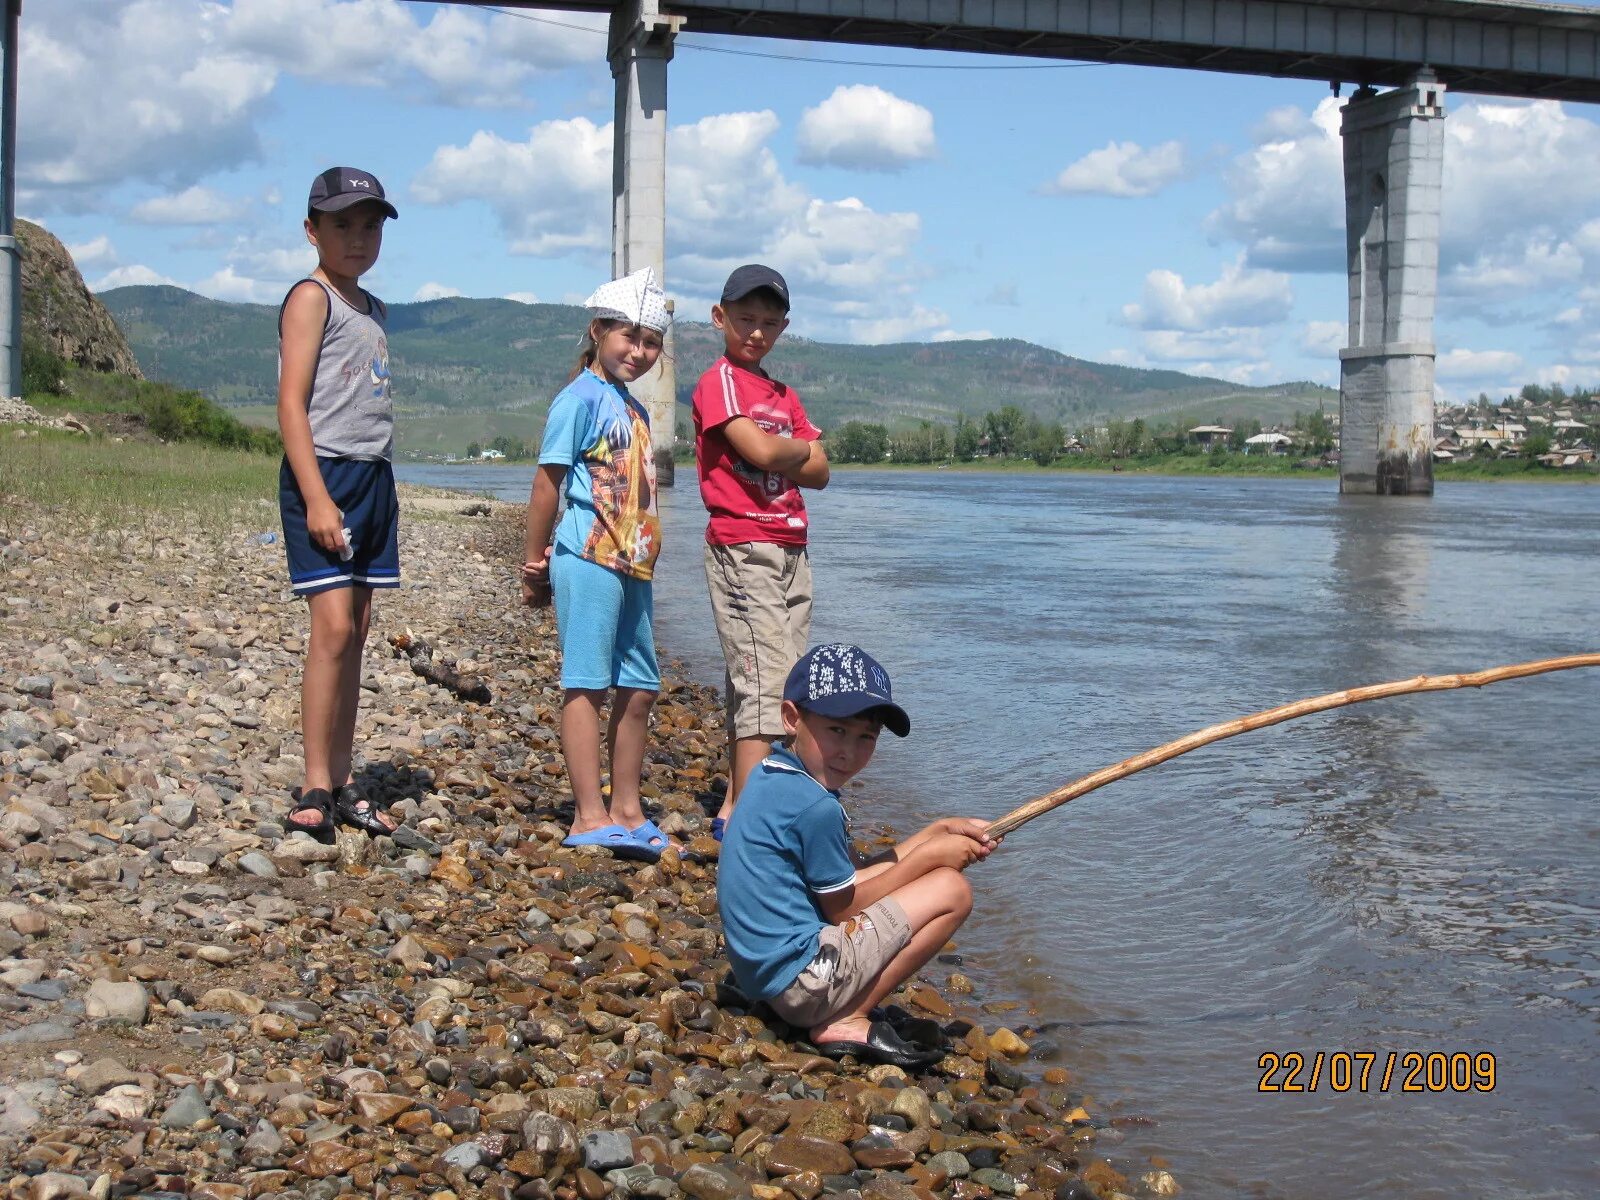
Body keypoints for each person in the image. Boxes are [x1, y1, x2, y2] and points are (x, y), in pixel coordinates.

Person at [716, 643, 999, 1068]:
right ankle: (847, 1016)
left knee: (929, 876)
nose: (850, 751)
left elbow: (852, 876)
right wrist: (931, 860)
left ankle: (837, 1005)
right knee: (951, 890)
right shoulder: (816, 807)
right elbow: (843, 909)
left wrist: (932, 834)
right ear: (792, 718)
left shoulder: (775, 776)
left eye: (866, 737)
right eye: (837, 731)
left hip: (765, 973)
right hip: (800, 986)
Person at [520, 268, 672, 862]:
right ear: (597, 331)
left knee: (640, 685)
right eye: (628, 336)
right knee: (586, 682)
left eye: (651, 341)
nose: (638, 351)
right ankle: (588, 814)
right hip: (587, 555)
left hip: (633, 563)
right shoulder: (578, 398)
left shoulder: (633, 407)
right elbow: (546, 485)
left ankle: (628, 808)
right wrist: (534, 564)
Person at [277, 166, 402, 843]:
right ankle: (316, 781)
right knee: (328, 629)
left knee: (355, 632)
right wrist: (318, 499)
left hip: (372, 479)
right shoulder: (311, 297)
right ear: (312, 230)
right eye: (343, 224)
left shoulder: (373, 309)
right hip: (323, 476)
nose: (358, 238)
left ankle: (346, 776)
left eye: (370, 225)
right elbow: (291, 405)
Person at [692, 264, 830, 838]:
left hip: (791, 548)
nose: (756, 332)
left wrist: (786, 449)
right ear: (720, 318)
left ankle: (735, 805)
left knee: (774, 678)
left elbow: (821, 472)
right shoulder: (719, 381)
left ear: (784, 327)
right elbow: (764, 452)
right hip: (744, 546)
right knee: (765, 685)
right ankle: (752, 829)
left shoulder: (782, 393)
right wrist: (790, 448)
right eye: (745, 319)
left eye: (769, 323)